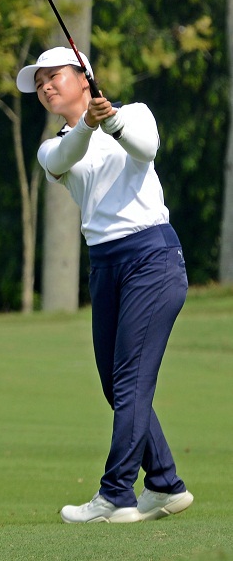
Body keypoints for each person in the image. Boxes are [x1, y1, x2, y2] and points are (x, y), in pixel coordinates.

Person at [18, 47, 193, 524]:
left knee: (131, 380)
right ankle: (164, 485)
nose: (46, 87)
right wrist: (91, 125)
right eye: (39, 83)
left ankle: (116, 493)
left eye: (54, 76)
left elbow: (145, 149)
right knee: (117, 384)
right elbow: (69, 153)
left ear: (84, 78)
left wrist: (109, 120)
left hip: (152, 258)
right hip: (105, 266)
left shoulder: (135, 115)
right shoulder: (53, 146)